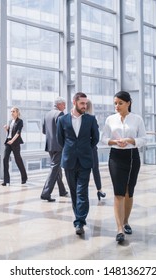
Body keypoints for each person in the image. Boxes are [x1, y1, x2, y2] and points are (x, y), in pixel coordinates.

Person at [102, 91, 146, 243]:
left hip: (133, 157)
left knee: (129, 191)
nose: (117, 106)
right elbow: (104, 138)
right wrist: (114, 142)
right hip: (115, 157)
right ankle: (119, 229)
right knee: (118, 192)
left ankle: (126, 221)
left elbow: (144, 139)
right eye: (115, 103)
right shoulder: (110, 119)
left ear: (128, 103)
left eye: (120, 103)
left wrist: (131, 140)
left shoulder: (137, 119)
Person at [57, 92, 100, 235]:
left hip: (85, 160)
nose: (85, 106)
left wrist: (85, 149)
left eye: (86, 103)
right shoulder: (62, 120)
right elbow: (60, 140)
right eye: (82, 103)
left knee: (82, 191)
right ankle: (78, 218)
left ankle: (80, 221)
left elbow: (95, 139)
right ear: (74, 102)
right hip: (69, 160)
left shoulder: (91, 119)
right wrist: (71, 150)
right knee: (74, 192)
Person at [40, 97, 68, 202]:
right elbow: (64, 131)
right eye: (64, 104)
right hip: (59, 145)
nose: (65, 107)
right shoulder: (60, 114)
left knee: (56, 168)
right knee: (54, 168)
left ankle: (62, 190)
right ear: (59, 104)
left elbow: (44, 131)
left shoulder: (47, 114)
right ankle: (45, 193)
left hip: (50, 145)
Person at [85, 99, 106, 201]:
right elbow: (96, 137)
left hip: (80, 150)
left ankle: (84, 192)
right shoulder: (92, 119)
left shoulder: (77, 119)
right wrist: (91, 146)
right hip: (91, 149)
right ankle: (99, 190)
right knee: (95, 169)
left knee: (85, 171)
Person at [2, 107, 28, 186]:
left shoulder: (20, 121)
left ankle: (24, 177)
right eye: (11, 111)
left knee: (18, 160)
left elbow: (18, 133)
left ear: (17, 113)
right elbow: (10, 132)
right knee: (5, 159)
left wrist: (12, 141)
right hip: (8, 142)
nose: (11, 113)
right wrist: (6, 129)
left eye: (13, 111)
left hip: (15, 142)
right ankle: (6, 180)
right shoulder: (10, 121)